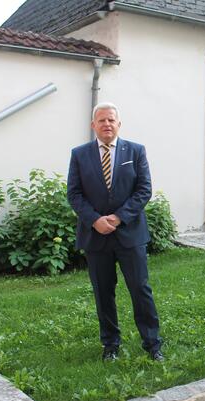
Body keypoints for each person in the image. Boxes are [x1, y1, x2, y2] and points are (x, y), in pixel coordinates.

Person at [67, 102, 163, 361]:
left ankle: (153, 344)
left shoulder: (136, 151)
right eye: (101, 120)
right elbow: (74, 194)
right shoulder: (79, 154)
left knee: (140, 289)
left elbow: (144, 189)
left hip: (130, 235)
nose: (107, 124)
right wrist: (94, 220)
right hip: (96, 237)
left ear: (119, 124)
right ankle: (111, 345)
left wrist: (119, 217)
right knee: (103, 292)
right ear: (93, 125)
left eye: (111, 120)